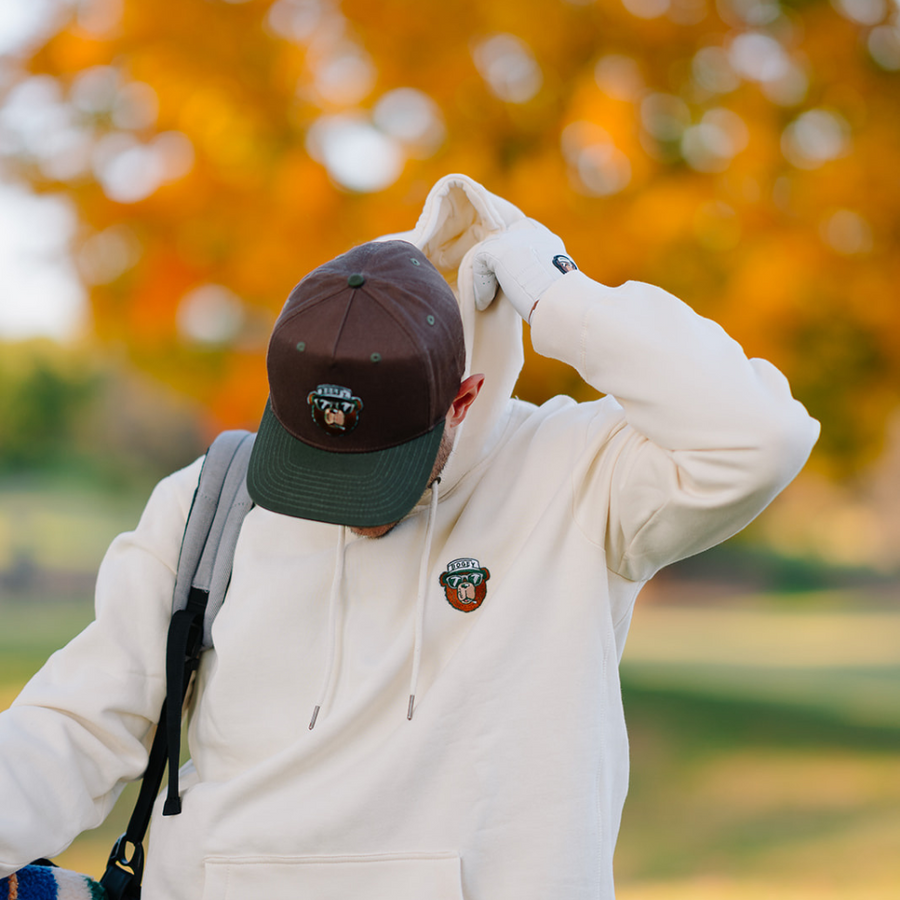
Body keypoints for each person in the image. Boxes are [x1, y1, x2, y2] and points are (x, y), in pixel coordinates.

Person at [0, 174, 819, 899]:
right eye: (316, 465)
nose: (344, 504)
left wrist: (553, 287)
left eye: (378, 471)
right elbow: (76, 723)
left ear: (462, 401)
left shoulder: (580, 477)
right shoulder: (210, 500)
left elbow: (759, 435)